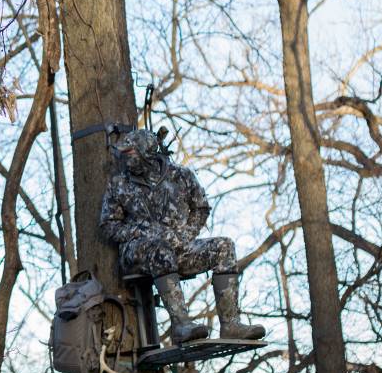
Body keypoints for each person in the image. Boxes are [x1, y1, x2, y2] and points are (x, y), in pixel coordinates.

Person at [98, 128, 265, 345]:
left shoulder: (181, 176)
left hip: (179, 248)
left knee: (224, 246)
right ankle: (181, 325)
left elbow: (201, 208)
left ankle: (231, 324)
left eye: (130, 153)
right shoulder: (119, 184)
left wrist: (185, 235)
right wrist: (143, 233)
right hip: (138, 253)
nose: (125, 159)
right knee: (160, 248)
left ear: (146, 153)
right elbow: (108, 225)